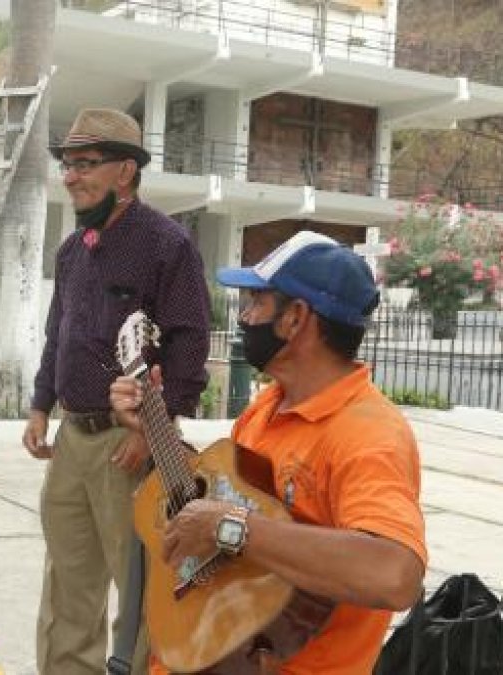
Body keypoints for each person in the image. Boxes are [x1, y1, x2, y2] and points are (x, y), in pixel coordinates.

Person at [110, 230, 426, 673]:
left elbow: (395, 575)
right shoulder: (268, 405)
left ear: (295, 318)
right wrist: (155, 428)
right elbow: (227, 497)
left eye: (256, 302)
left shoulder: (369, 434)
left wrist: (230, 527)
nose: (243, 317)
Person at [22, 108, 211, 674]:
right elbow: (60, 335)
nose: (71, 176)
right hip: (72, 441)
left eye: (85, 164)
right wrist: (39, 406)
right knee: (67, 588)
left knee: (139, 594)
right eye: (67, 164)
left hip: (131, 445)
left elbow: (189, 346)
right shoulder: (72, 250)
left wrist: (156, 436)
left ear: (125, 171)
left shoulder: (166, 244)